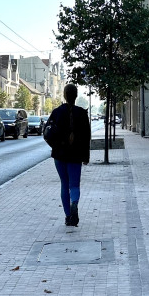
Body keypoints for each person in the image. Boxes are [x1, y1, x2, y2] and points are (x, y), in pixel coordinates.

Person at [48, 83, 91, 227]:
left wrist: (55, 146)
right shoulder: (82, 113)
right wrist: (86, 157)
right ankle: (75, 203)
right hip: (76, 155)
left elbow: (47, 132)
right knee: (74, 185)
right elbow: (87, 137)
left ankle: (68, 216)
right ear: (76, 96)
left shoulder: (56, 112)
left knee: (64, 184)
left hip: (59, 155)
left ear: (65, 96)